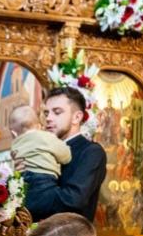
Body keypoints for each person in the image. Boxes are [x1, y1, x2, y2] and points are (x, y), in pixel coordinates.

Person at [23, 87, 108, 222]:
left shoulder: (91, 152)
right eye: (46, 113)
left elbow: (71, 200)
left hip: (70, 234)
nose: (48, 118)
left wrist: (33, 194)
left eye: (57, 112)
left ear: (77, 117)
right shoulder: (42, 150)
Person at [8, 104, 72, 189]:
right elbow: (66, 157)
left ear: (13, 133)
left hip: (22, 179)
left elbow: (16, 161)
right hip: (44, 179)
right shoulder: (46, 137)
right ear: (38, 125)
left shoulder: (14, 145)